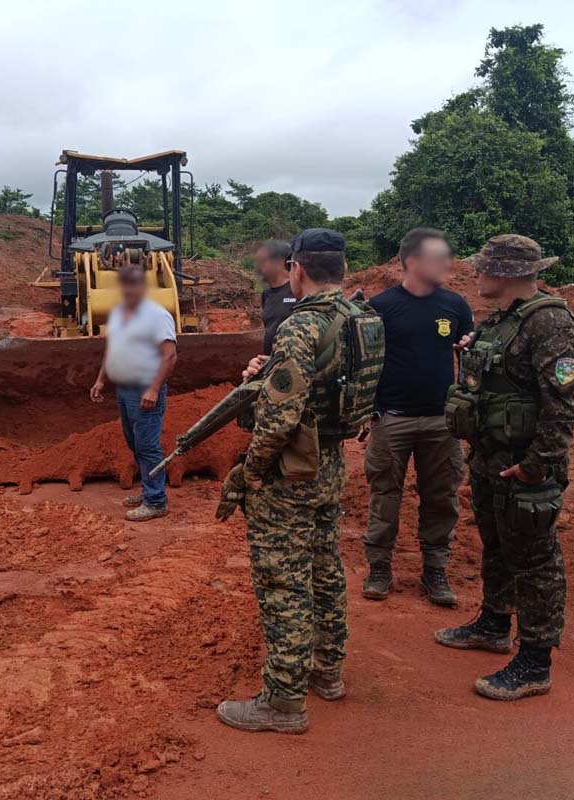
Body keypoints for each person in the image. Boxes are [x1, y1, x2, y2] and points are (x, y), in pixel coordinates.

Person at [216, 228, 366, 735]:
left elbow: (279, 419)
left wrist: (251, 471)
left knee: (284, 580)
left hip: (291, 475)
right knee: (326, 566)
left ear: (296, 269)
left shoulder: (301, 325)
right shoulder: (357, 317)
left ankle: (282, 701)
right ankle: (328, 671)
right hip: (330, 465)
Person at [436, 234, 574, 701]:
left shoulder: (552, 325)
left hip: (523, 469)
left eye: (482, 268)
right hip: (489, 459)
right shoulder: (500, 322)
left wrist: (535, 467)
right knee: (498, 548)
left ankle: (535, 662)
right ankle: (495, 622)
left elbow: (561, 408)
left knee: (536, 561)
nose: (475, 274)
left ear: (504, 274)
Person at [361, 228, 474, 607]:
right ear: (411, 261)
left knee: (441, 497)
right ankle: (379, 567)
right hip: (392, 419)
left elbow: (467, 355)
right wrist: (366, 411)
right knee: (384, 496)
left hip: (442, 421)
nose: (446, 264)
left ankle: (435, 571)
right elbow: (365, 362)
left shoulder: (456, 306)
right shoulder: (381, 306)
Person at [90, 262, 179, 521]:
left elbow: (170, 356)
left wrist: (153, 389)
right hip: (124, 388)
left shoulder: (158, 315)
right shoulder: (119, 313)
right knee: (135, 444)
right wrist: (100, 380)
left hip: (145, 390)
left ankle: (156, 501)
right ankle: (149, 489)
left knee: (148, 447)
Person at [255, 240, 296, 354]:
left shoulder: (298, 291)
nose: (259, 267)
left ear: (279, 263)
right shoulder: (266, 294)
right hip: (272, 364)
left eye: (263, 261)